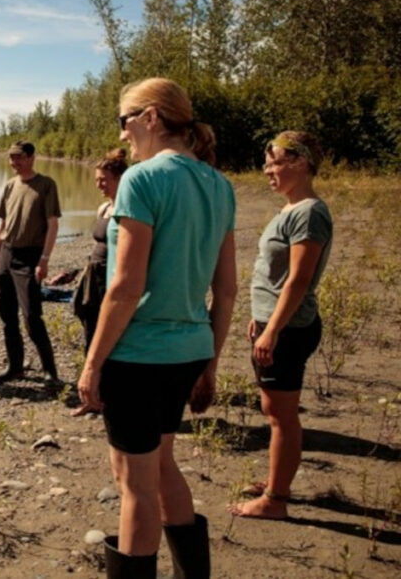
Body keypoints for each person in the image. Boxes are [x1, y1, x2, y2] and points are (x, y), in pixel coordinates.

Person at [76, 78, 236, 578]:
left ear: (150, 118)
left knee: (135, 485)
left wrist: (92, 363)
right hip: (188, 350)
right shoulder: (218, 184)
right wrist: (209, 362)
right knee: (162, 468)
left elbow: (125, 287)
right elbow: (226, 290)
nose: (123, 135)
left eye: (125, 121)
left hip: (139, 354)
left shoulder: (141, 180)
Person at [230, 131, 332, 521]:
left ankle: (276, 500)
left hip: (288, 329)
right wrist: (260, 319)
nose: (267, 169)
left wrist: (272, 329)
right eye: (267, 162)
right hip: (276, 324)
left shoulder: (309, 213)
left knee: (281, 415)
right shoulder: (290, 209)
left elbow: (298, 280)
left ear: (302, 163)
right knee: (275, 410)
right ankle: (277, 479)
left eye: (275, 162)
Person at [0, 140, 61, 388]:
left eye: (18, 157)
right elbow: (2, 224)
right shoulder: (10, 186)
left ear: (31, 157)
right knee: (7, 315)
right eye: (11, 157)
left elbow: (53, 224)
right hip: (7, 254)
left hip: (30, 257)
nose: (13, 162)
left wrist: (44, 260)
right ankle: (15, 367)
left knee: (32, 316)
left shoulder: (45, 185)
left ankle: (50, 371)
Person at [72, 148, 128, 352]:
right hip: (93, 273)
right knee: (89, 321)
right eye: (96, 180)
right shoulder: (103, 208)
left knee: (110, 327)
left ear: (120, 179)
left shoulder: (129, 209)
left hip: (111, 275)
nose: (99, 185)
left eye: (104, 180)